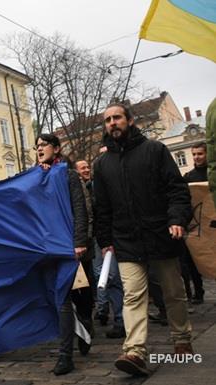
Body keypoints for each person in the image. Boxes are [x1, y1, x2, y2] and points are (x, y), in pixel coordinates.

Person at [93, 103, 193, 376]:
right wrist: (105, 240)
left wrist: (176, 219)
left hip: (161, 234)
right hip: (126, 241)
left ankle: (182, 339)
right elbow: (101, 208)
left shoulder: (154, 150)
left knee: (173, 293)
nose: (112, 123)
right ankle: (135, 351)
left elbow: (177, 189)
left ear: (130, 120)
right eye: (108, 120)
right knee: (134, 295)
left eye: (117, 118)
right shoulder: (101, 164)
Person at [34, 135, 88, 376]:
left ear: (56, 149)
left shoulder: (68, 174)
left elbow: (80, 208)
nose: (39, 149)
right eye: (36, 146)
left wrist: (79, 241)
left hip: (66, 245)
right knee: (57, 298)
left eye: (43, 145)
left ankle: (66, 356)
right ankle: (84, 330)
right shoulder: (35, 176)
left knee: (64, 299)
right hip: (44, 247)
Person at [75, 160, 125, 339]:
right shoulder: (81, 188)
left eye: (88, 167)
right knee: (99, 275)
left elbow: (99, 212)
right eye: (83, 168)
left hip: (104, 236)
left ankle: (119, 319)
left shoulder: (96, 187)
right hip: (95, 237)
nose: (87, 170)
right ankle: (103, 310)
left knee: (111, 276)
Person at [180, 142, 207, 304]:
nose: (196, 157)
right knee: (193, 259)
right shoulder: (188, 177)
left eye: (200, 154)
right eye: (194, 154)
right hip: (195, 224)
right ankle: (199, 291)